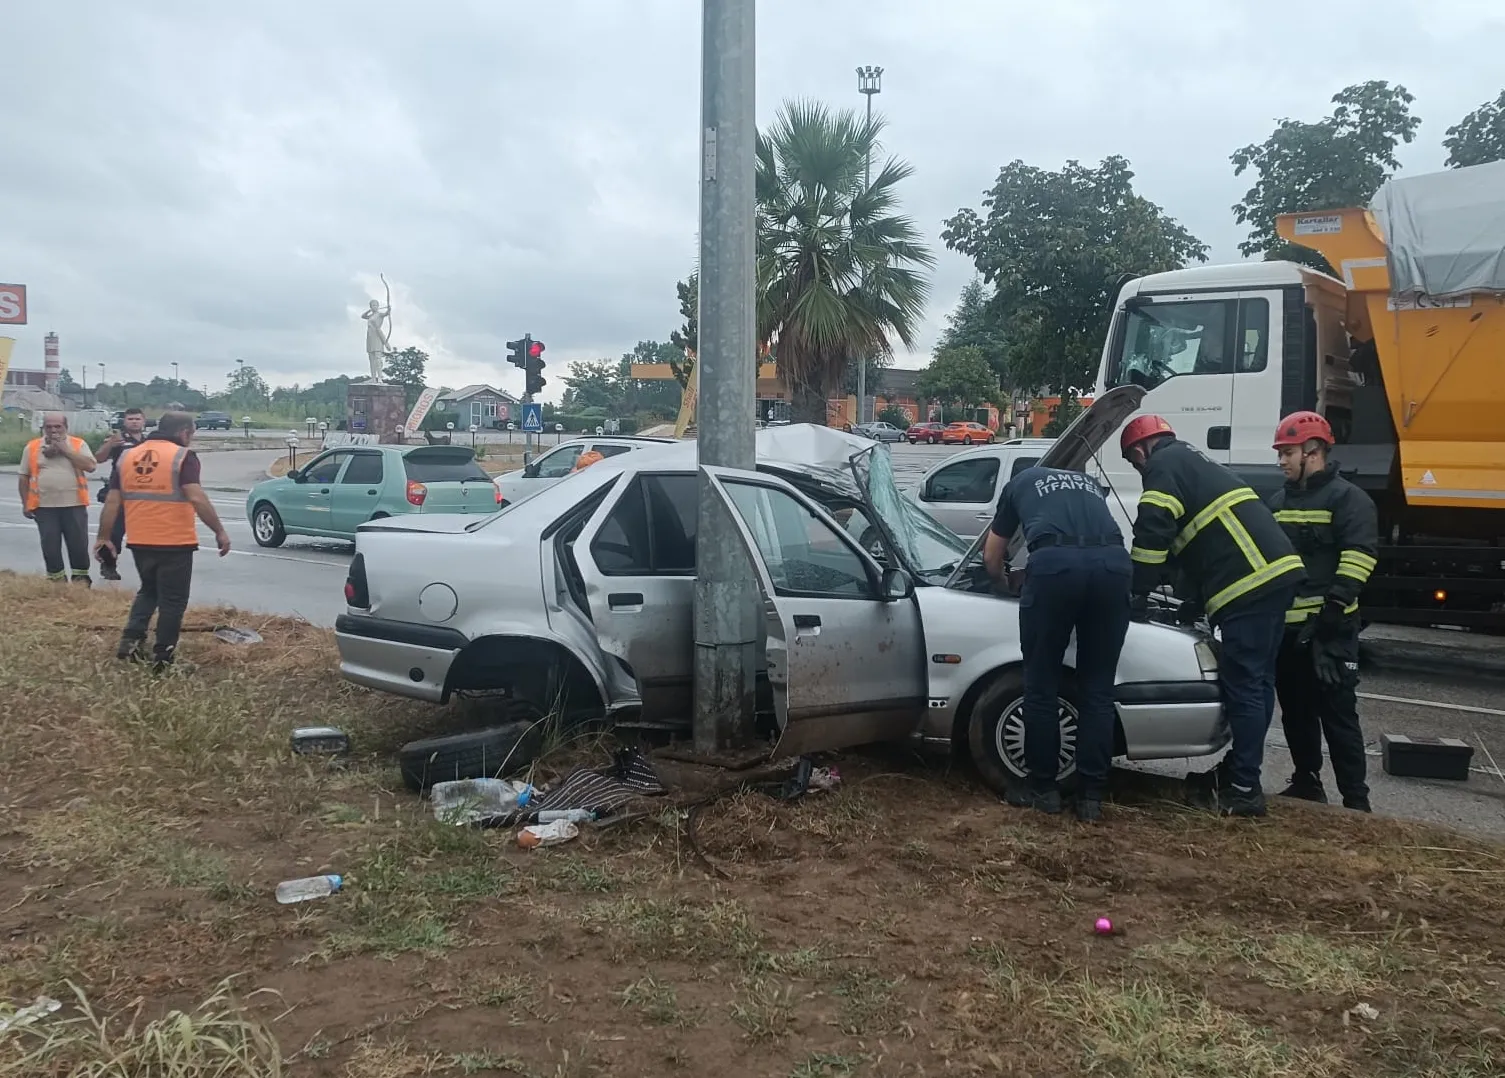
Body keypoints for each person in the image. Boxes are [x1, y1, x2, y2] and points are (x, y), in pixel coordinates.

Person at [1121, 415, 1305, 818]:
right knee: (1258, 683)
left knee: (1245, 686)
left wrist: (1135, 590)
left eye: (1136, 466)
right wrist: (1191, 600)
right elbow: (1198, 539)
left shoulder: (1163, 466)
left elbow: (1153, 532)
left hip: (1251, 584)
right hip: (1272, 578)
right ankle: (1241, 772)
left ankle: (1243, 789)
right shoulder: (1193, 461)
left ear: (1139, 451)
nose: (1140, 473)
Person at [984, 466, 1132, 821]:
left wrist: (1005, 582)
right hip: (1113, 567)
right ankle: (1091, 798)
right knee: (1098, 688)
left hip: (1054, 568)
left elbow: (991, 556)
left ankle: (1043, 790)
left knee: (1041, 685)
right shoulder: (1089, 484)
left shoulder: (1017, 484)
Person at [1266, 411, 1377, 812]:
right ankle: (1306, 782)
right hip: (1291, 631)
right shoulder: (1278, 502)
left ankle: (1356, 802)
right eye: (1280, 453)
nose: (1280, 461)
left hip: (1331, 630)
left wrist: (1332, 611)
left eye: (1287, 452)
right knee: (1296, 712)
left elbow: (1360, 556)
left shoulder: (1349, 499)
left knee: (1339, 717)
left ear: (1313, 452)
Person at [94, 411, 232, 670]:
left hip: (139, 539)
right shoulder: (182, 456)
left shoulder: (128, 456)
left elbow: (112, 501)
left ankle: (131, 643)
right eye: (192, 433)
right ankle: (163, 657)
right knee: (173, 600)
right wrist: (219, 531)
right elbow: (196, 496)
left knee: (149, 591)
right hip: (174, 541)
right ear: (184, 433)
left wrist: (104, 538)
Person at [18, 412, 97, 584]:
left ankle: (81, 582)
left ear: (65, 427)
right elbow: (23, 477)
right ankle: (56, 582)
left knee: (78, 546)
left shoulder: (77, 444)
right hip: (44, 507)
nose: (53, 430)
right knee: (50, 547)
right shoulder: (32, 447)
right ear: (43, 428)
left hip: (74, 505)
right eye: (49, 427)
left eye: (58, 426)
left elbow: (90, 466)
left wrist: (65, 450)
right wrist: (25, 504)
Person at [94, 407, 147, 580]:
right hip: (120, 491)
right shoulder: (118, 440)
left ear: (143, 421)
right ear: (124, 421)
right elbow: (99, 458)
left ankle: (147, 567)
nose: (134, 422)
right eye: (130, 419)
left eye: (137, 419)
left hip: (142, 492)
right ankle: (108, 566)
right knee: (114, 532)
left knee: (143, 533)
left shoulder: (148, 442)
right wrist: (110, 444)